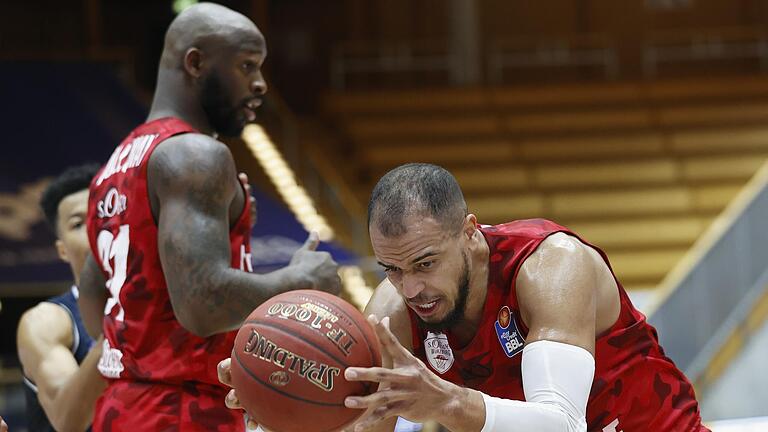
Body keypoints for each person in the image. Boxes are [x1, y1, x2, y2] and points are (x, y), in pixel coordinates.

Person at [220, 162, 709, 432]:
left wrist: (443, 401)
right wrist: (277, 412)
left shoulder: (551, 265)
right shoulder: (393, 316)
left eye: (425, 264)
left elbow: (562, 426)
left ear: (471, 234)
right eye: (392, 269)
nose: (411, 289)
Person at [78, 3, 341, 431]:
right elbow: (202, 303)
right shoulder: (196, 154)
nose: (260, 84)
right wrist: (302, 281)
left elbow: (95, 306)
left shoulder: (117, 165)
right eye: (246, 66)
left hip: (122, 406)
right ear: (196, 62)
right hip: (181, 413)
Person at [17, 164, 105, 432]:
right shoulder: (46, 320)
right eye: (78, 223)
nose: (94, 229)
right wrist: (123, 323)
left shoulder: (160, 309)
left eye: (102, 215)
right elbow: (67, 420)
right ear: (62, 250)